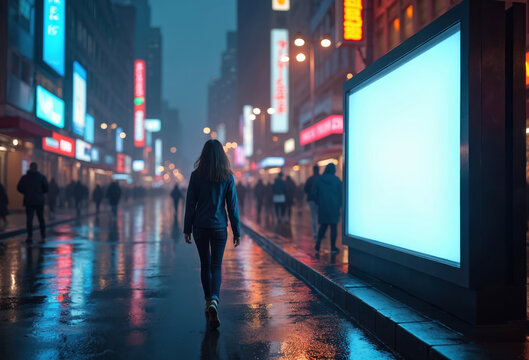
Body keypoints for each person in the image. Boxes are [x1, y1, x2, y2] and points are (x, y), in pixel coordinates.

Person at [184, 139, 240, 330]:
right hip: (218, 227)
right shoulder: (227, 177)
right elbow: (232, 207)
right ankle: (215, 300)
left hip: (200, 227)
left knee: (205, 265)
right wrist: (237, 231)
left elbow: (190, 203)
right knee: (216, 266)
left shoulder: (195, 176)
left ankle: (208, 302)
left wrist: (187, 228)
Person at [311, 163, 342, 254]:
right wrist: (339, 204)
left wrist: (318, 201)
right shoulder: (336, 180)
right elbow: (341, 194)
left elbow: (313, 193)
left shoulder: (319, 179)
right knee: (333, 227)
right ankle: (333, 247)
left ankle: (318, 244)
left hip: (323, 206)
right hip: (334, 206)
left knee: (323, 226)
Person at [17, 162, 49, 243]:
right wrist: (40, 192)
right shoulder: (41, 177)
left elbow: (19, 188)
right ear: (37, 168)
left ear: (30, 167)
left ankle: (30, 236)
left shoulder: (25, 177)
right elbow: (46, 188)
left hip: (29, 201)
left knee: (29, 219)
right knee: (41, 218)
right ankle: (43, 234)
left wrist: (26, 192)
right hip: (39, 201)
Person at [304, 165, 320, 242]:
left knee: (313, 217)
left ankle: (315, 233)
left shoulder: (309, 179)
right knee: (320, 216)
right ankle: (320, 232)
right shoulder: (320, 178)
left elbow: (305, 189)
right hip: (320, 200)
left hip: (311, 200)